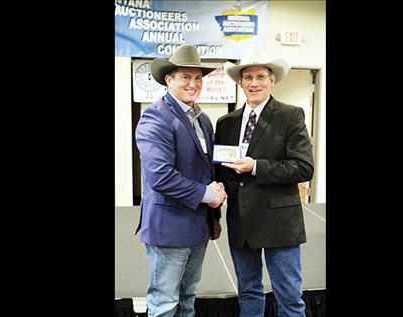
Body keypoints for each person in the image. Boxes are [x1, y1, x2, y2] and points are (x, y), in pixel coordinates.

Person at [215, 45, 314, 316]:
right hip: (241, 223)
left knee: (290, 299)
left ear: (271, 80)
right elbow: (220, 172)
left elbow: (304, 168)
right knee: (248, 293)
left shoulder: (290, 115)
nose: (254, 83)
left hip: (279, 224)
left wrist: (256, 166)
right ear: (240, 82)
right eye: (248, 77)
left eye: (261, 76)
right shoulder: (226, 123)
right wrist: (214, 208)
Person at [135, 44, 227, 317]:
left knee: (187, 299)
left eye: (198, 77)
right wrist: (210, 196)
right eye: (185, 77)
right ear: (169, 79)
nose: (193, 83)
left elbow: (206, 172)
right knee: (164, 304)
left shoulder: (203, 118)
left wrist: (215, 216)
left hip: (198, 227)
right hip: (169, 229)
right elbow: (161, 176)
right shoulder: (156, 116)